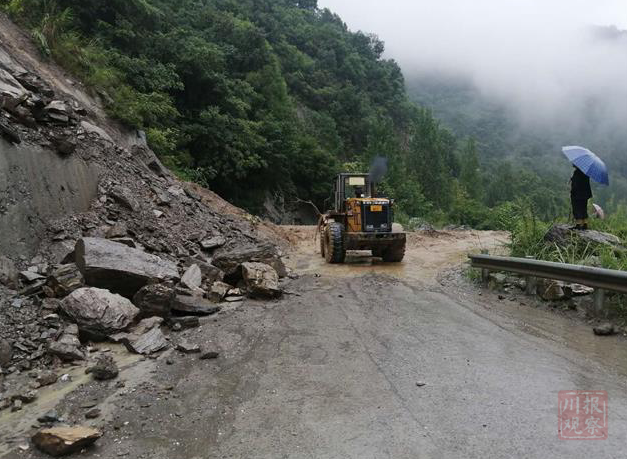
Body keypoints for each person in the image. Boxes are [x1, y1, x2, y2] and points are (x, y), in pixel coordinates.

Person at [570, 165, 592, 230]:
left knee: (577, 208)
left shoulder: (577, 172)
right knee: (583, 208)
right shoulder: (586, 172)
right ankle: (585, 224)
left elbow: (575, 185)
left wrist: (572, 180)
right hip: (585, 194)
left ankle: (578, 225)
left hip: (577, 194)